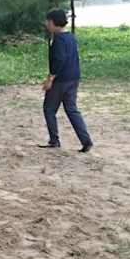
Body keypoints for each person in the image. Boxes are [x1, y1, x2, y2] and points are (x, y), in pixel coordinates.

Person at [38, 9, 94, 152]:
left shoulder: (58, 40)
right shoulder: (70, 37)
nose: (46, 24)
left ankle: (54, 140)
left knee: (49, 109)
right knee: (72, 109)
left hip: (61, 80)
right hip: (73, 78)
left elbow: (59, 60)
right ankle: (86, 140)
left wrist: (50, 78)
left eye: (48, 21)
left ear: (53, 22)